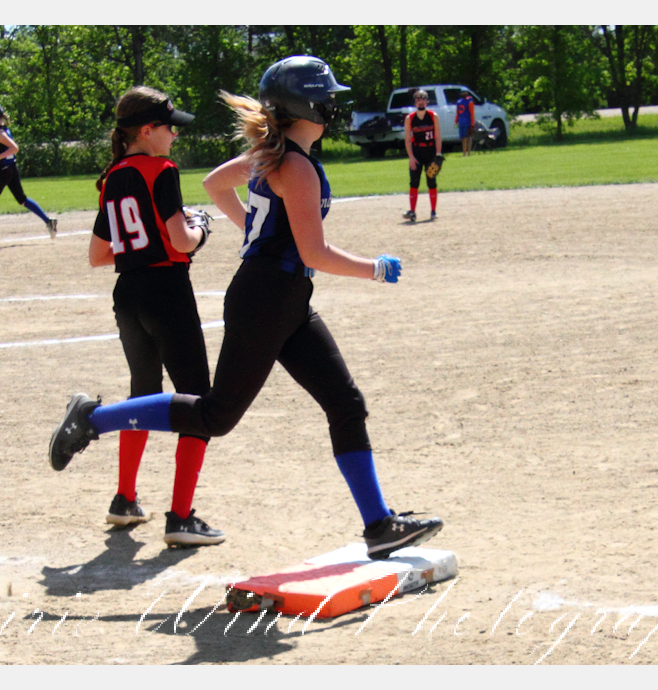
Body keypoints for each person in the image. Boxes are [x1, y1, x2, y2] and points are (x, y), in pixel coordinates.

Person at [48, 56, 444, 560]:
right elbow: (314, 253)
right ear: (307, 105)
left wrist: (256, 237)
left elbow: (215, 185)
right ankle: (94, 418)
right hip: (267, 297)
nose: (333, 106)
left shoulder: (273, 155)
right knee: (214, 415)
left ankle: (379, 524)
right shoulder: (293, 164)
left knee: (345, 402)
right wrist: (375, 269)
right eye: (327, 98)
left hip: (284, 297)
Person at [55, 85, 223, 547]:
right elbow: (182, 241)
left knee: (143, 393)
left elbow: (98, 255)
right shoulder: (161, 170)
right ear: (147, 131)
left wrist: (145, 247)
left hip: (128, 294)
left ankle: (125, 499)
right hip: (166, 291)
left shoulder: (112, 177)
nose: (175, 135)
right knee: (198, 401)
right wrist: (200, 229)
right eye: (169, 127)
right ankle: (181, 517)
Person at [0, 103, 57, 247]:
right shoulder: (3, 130)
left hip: (3, 170)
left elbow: (14, 148)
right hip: (11, 168)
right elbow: (1, 146)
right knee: (22, 199)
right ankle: (49, 221)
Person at [402, 89, 442, 222]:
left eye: (423, 99)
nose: (421, 102)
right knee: (414, 182)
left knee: (432, 181)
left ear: (427, 101)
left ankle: (433, 211)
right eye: (418, 100)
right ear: (415, 103)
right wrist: (411, 157)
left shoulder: (433, 116)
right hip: (417, 152)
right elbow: (408, 139)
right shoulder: (410, 118)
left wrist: (438, 154)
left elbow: (438, 136)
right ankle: (412, 211)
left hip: (430, 152)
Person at [456, 89, 476, 157]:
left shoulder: (469, 101)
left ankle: (468, 153)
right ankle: (464, 153)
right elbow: (458, 113)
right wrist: (456, 121)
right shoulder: (459, 102)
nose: (463, 94)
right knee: (463, 138)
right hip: (461, 122)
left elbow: (472, 113)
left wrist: (472, 123)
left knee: (469, 137)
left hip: (468, 121)